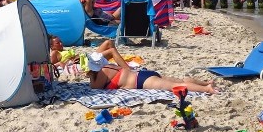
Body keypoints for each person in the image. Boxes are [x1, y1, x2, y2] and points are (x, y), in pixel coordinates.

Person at [86, 41, 217, 93]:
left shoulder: (101, 75)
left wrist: (91, 74)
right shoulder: (109, 66)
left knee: (174, 87)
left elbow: (94, 87)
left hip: (141, 81)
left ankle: (207, 88)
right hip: (143, 74)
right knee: (180, 80)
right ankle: (206, 82)